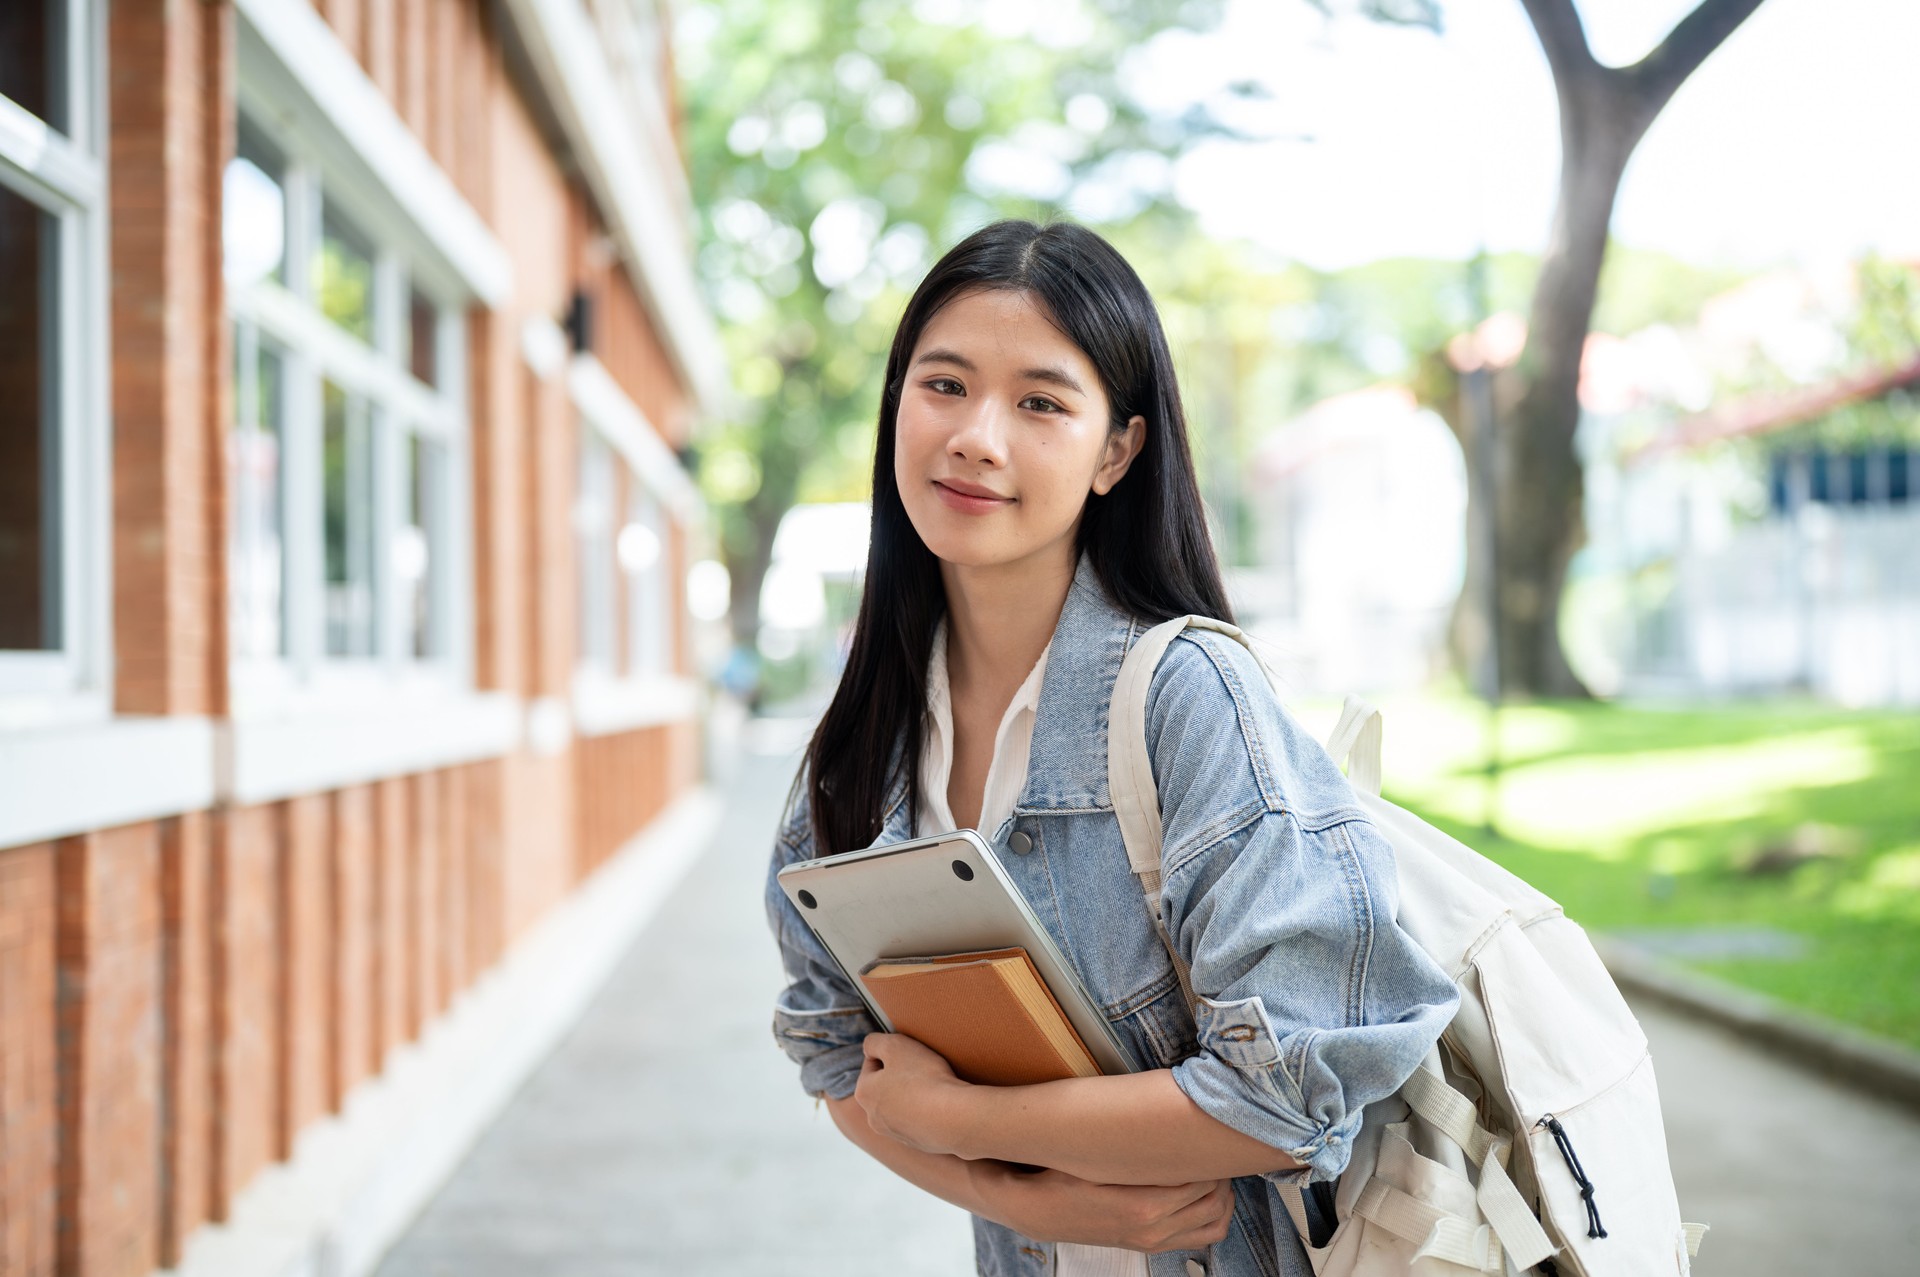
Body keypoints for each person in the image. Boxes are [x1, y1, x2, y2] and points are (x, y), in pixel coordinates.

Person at [764, 219, 1459, 1277]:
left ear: (1118, 451)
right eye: (943, 384)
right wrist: (1014, 1188)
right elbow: (834, 1057)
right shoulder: (861, 743)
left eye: (1040, 402)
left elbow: (1284, 1094)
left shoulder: (1188, 698)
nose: (977, 436)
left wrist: (960, 1113)